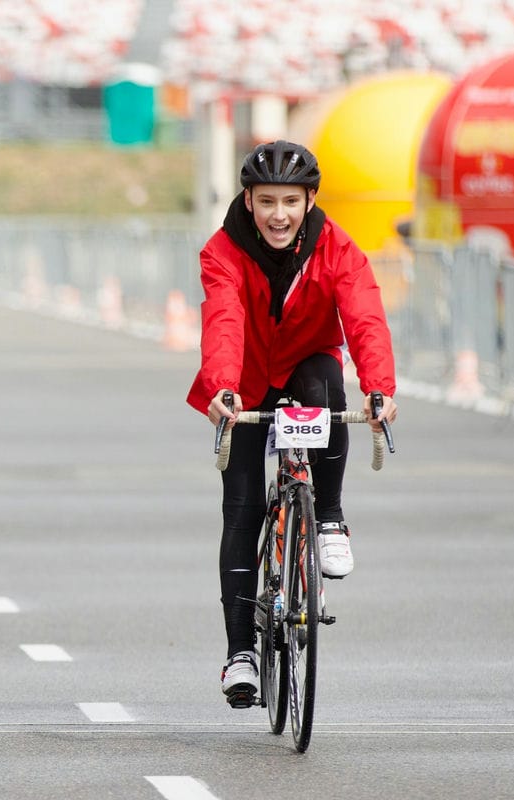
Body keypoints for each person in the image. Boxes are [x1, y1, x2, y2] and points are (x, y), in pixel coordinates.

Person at [185, 140, 398, 707]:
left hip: (307, 367)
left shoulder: (337, 248)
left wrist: (379, 387)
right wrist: (222, 386)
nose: (278, 214)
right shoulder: (221, 252)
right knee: (243, 508)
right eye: (266, 201)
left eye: (290, 202)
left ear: (309, 202)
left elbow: (364, 315)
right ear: (248, 201)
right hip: (248, 379)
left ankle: (327, 515)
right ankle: (240, 655)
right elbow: (224, 319)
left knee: (328, 386)